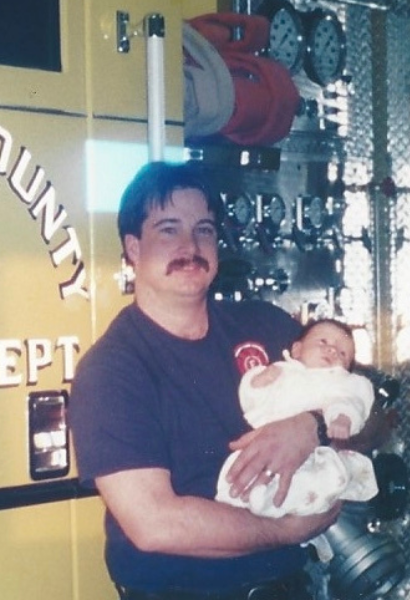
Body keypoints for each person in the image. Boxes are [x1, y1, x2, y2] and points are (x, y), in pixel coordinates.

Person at [68, 161, 340, 600]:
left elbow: (376, 412)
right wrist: (286, 530)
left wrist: (314, 427)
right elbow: (155, 524)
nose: (191, 246)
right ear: (133, 248)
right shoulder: (112, 370)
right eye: (169, 230)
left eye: (205, 230)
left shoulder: (267, 326)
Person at [215, 319, 378, 561]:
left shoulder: (341, 383)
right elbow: (251, 397)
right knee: (239, 480)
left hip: (315, 457)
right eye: (323, 342)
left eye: (343, 353)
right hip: (265, 449)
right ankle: (264, 507)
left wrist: (342, 419)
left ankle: (306, 521)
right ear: (297, 350)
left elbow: (353, 402)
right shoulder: (282, 371)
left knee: (320, 480)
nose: (332, 350)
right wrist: (258, 381)